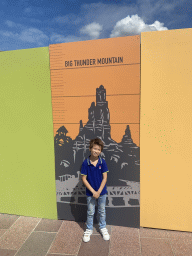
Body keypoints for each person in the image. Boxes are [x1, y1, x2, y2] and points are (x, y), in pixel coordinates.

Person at [81, 138, 110, 242]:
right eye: (94, 148)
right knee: (90, 211)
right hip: (90, 193)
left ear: (101, 151)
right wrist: (93, 192)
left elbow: (105, 178)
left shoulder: (102, 162)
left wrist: (98, 192)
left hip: (101, 192)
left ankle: (102, 227)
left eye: (98, 149)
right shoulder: (85, 163)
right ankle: (89, 229)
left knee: (102, 211)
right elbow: (84, 179)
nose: (96, 151)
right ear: (90, 148)